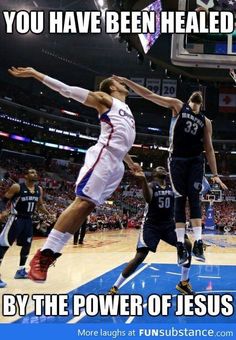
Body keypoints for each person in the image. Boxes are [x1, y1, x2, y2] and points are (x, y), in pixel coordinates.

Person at [9, 66, 140, 282]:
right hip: (104, 157)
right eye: (119, 82)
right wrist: (35, 74)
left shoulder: (127, 110)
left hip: (117, 163)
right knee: (82, 202)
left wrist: (132, 163)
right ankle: (45, 254)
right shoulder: (104, 99)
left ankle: (50, 254)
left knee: (87, 207)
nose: (123, 84)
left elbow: (121, 141)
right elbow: (67, 90)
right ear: (111, 87)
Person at [111, 75, 227, 265]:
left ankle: (198, 242)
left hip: (196, 160)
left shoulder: (206, 121)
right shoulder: (178, 105)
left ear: (201, 104)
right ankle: (181, 246)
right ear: (190, 100)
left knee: (195, 197)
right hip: (177, 160)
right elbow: (149, 94)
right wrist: (128, 82)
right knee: (180, 200)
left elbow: (209, 148)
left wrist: (215, 175)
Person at [108, 167, 194, 295]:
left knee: (187, 244)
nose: (161, 168)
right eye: (158, 168)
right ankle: (115, 287)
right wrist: (142, 181)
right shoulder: (150, 185)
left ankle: (183, 283)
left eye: (163, 168)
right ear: (154, 174)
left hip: (169, 225)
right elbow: (148, 198)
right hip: (151, 225)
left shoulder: (171, 187)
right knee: (140, 257)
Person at [0, 169, 50, 288]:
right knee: (4, 245)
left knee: (26, 245)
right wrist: (2, 212)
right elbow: (3, 200)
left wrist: (47, 213)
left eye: (36, 173)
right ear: (26, 176)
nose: (35, 174)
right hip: (15, 219)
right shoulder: (17, 187)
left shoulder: (39, 189)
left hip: (28, 220)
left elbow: (40, 204)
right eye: (32, 173)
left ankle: (21, 271)